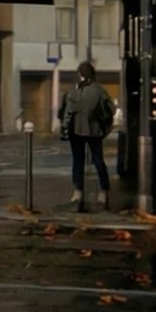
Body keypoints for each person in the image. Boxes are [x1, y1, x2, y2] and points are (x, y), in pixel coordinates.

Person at [58, 61, 115, 211]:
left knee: (78, 161)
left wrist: (63, 128)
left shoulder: (74, 91)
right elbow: (111, 108)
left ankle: (78, 193)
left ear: (80, 74)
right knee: (98, 160)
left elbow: (67, 112)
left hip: (75, 129)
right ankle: (103, 191)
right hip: (94, 129)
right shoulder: (99, 90)